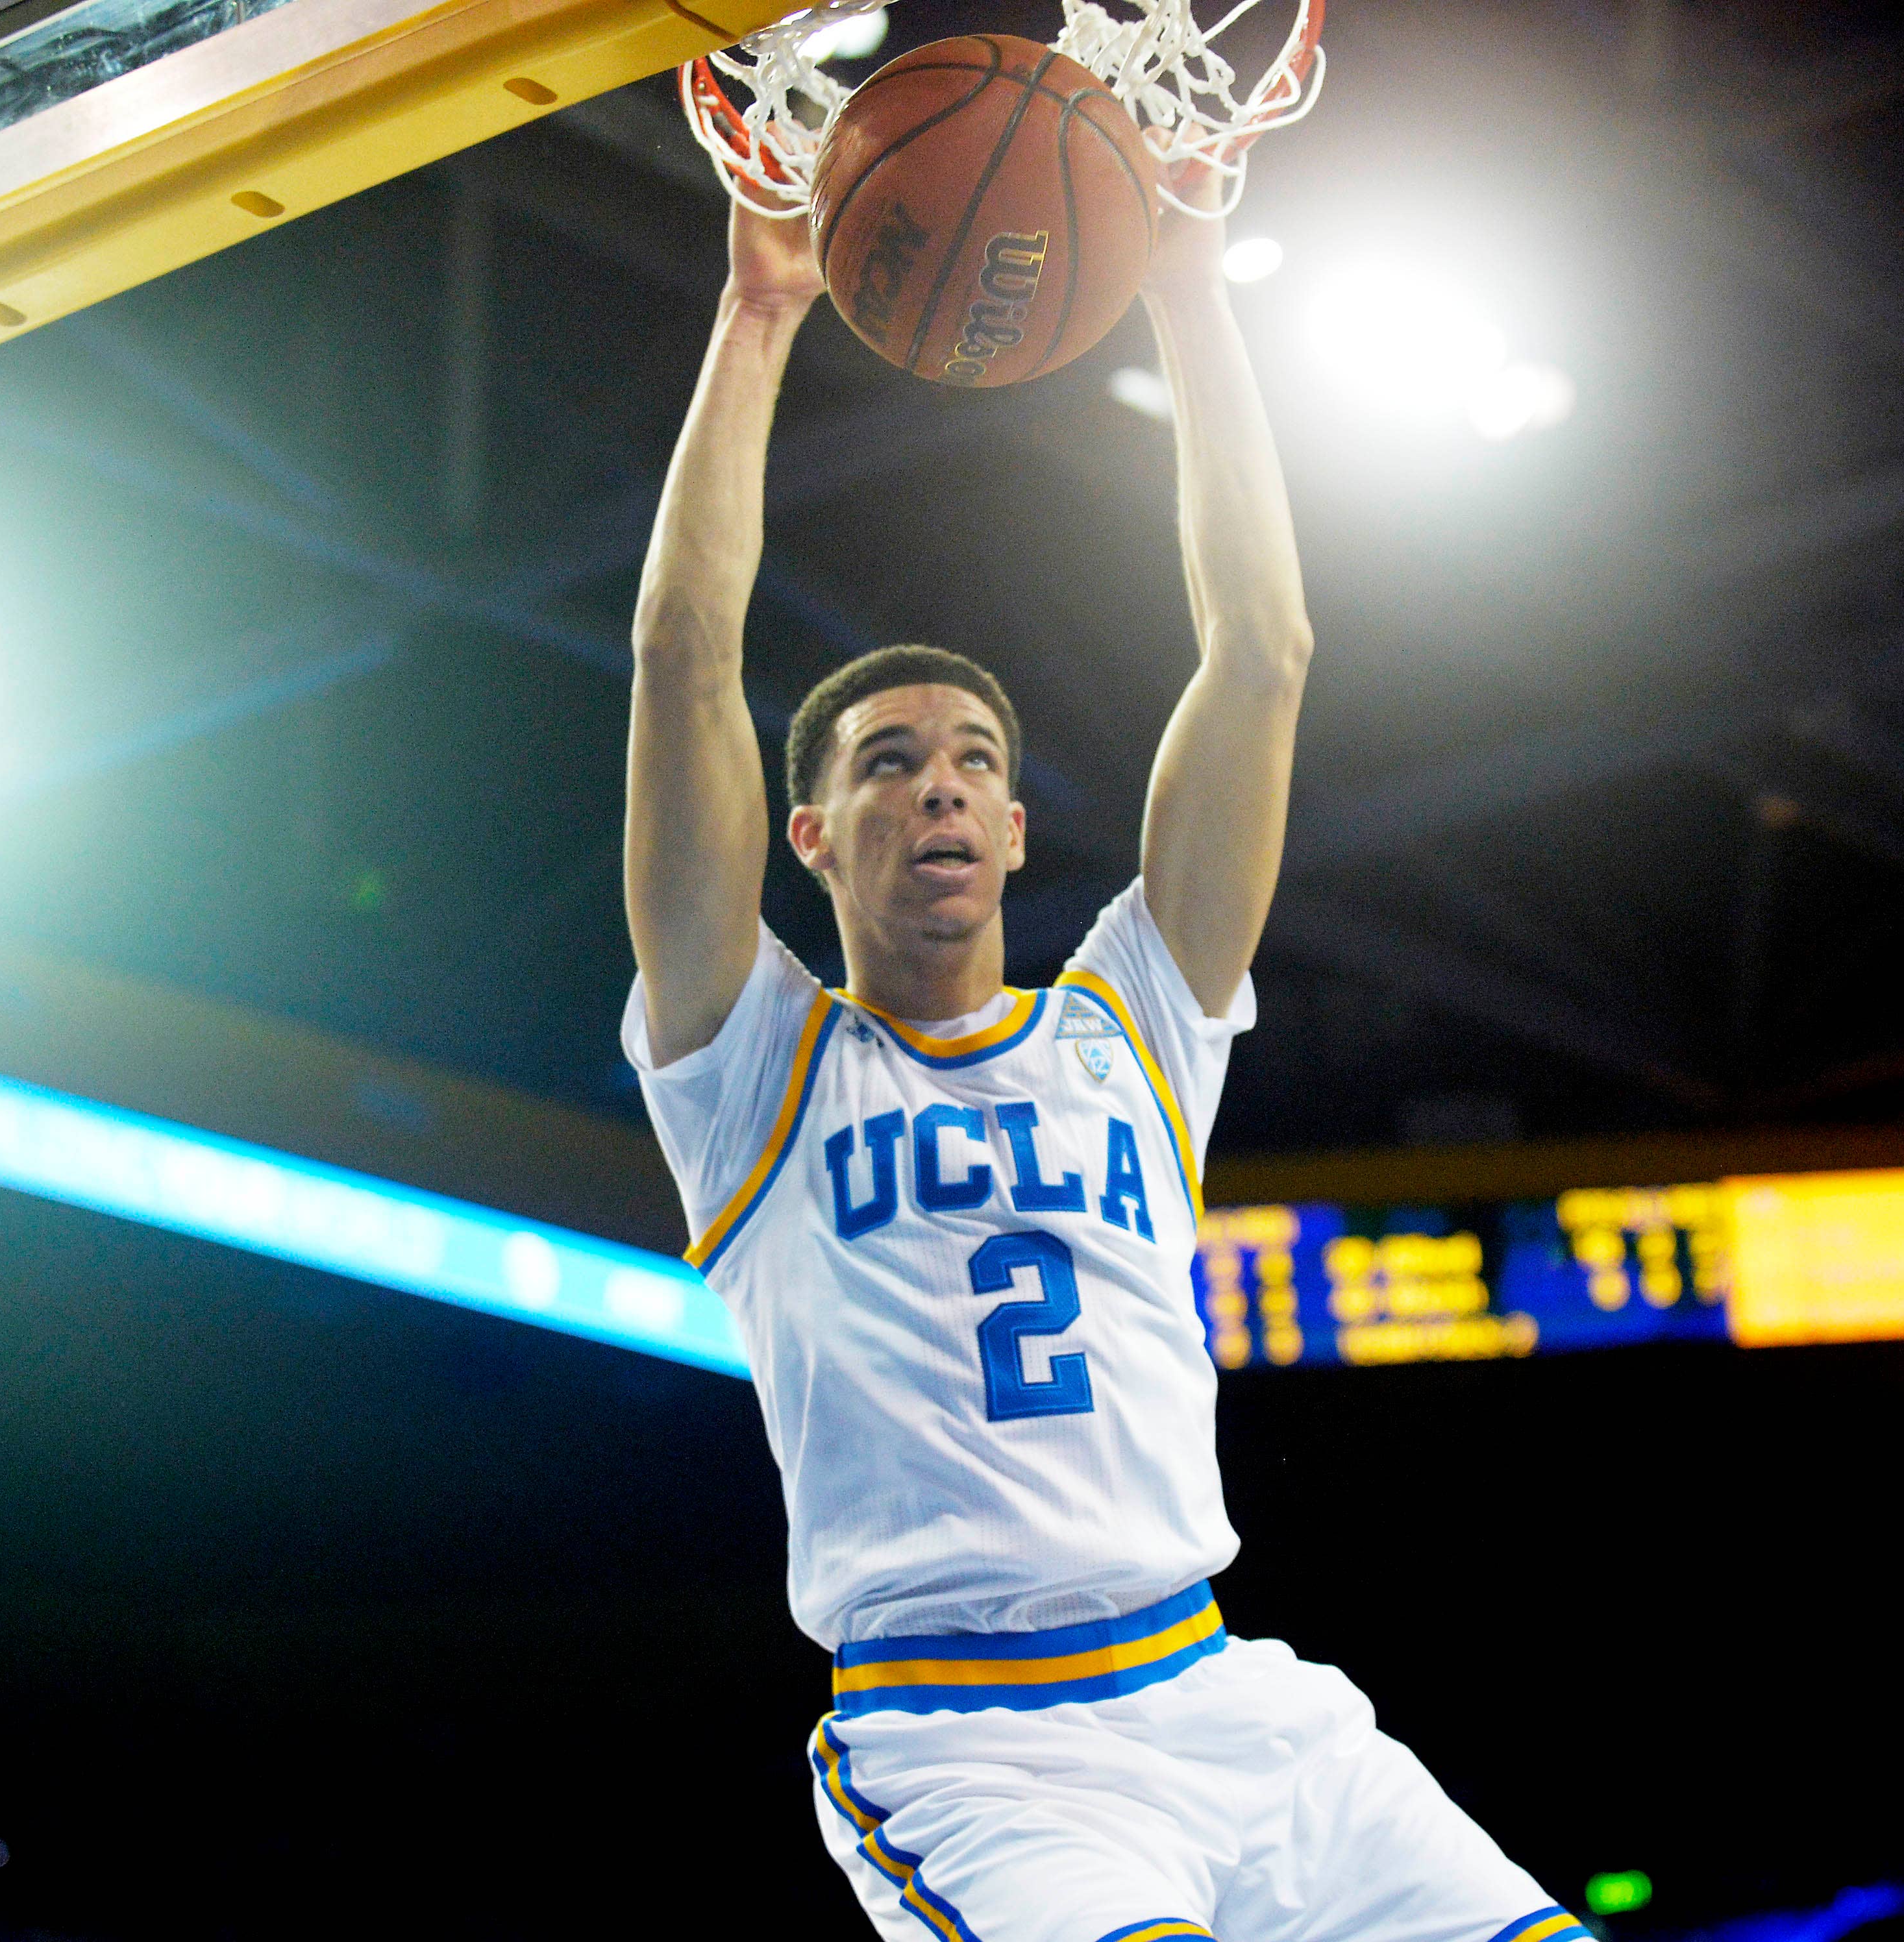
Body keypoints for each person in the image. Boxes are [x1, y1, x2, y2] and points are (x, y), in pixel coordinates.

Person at [620, 188, 1579, 1942]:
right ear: (813, 834)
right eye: (894, 762)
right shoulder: (755, 1065)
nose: (941, 787)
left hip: (1232, 1702)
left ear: (1011, 819)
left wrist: (1194, 287)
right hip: (977, 1750)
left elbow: (1265, 654)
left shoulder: (1128, 1020)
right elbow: (685, 660)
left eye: (974, 759)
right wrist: (759, 316)